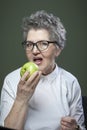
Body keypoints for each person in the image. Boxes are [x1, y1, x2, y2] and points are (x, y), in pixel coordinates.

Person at [0, 10, 86, 130]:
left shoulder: (70, 82)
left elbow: (80, 127)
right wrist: (21, 98)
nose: (34, 51)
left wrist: (75, 128)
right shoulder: (12, 80)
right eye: (29, 44)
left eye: (43, 43)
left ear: (58, 49)